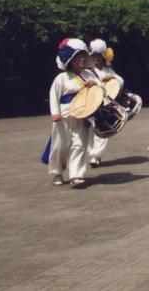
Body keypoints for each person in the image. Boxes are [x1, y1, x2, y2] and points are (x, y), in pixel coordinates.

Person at [44, 38, 95, 188]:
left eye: (82, 56)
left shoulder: (90, 76)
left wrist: (95, 85)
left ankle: (76, 175)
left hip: (83, 114)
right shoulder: (61, 78)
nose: (81, 60)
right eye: (77, 57)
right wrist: (55, 112)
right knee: (61, 145)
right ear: (70, 60)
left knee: (79, 145)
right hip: (64, 115)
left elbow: (101, 92)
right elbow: (54, 95)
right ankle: (57, 172)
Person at [86, 39, 124, 167]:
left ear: (103, 57)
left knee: (102, 129)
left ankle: (96, 156)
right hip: (90, 102)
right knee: (90, 130)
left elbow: (121, 81)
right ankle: (92, 153)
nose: (95, 59)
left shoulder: (108, 70)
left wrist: (112, 77)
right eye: (93, 56)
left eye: (98, 56)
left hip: (104, 104)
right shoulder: (86, 70)